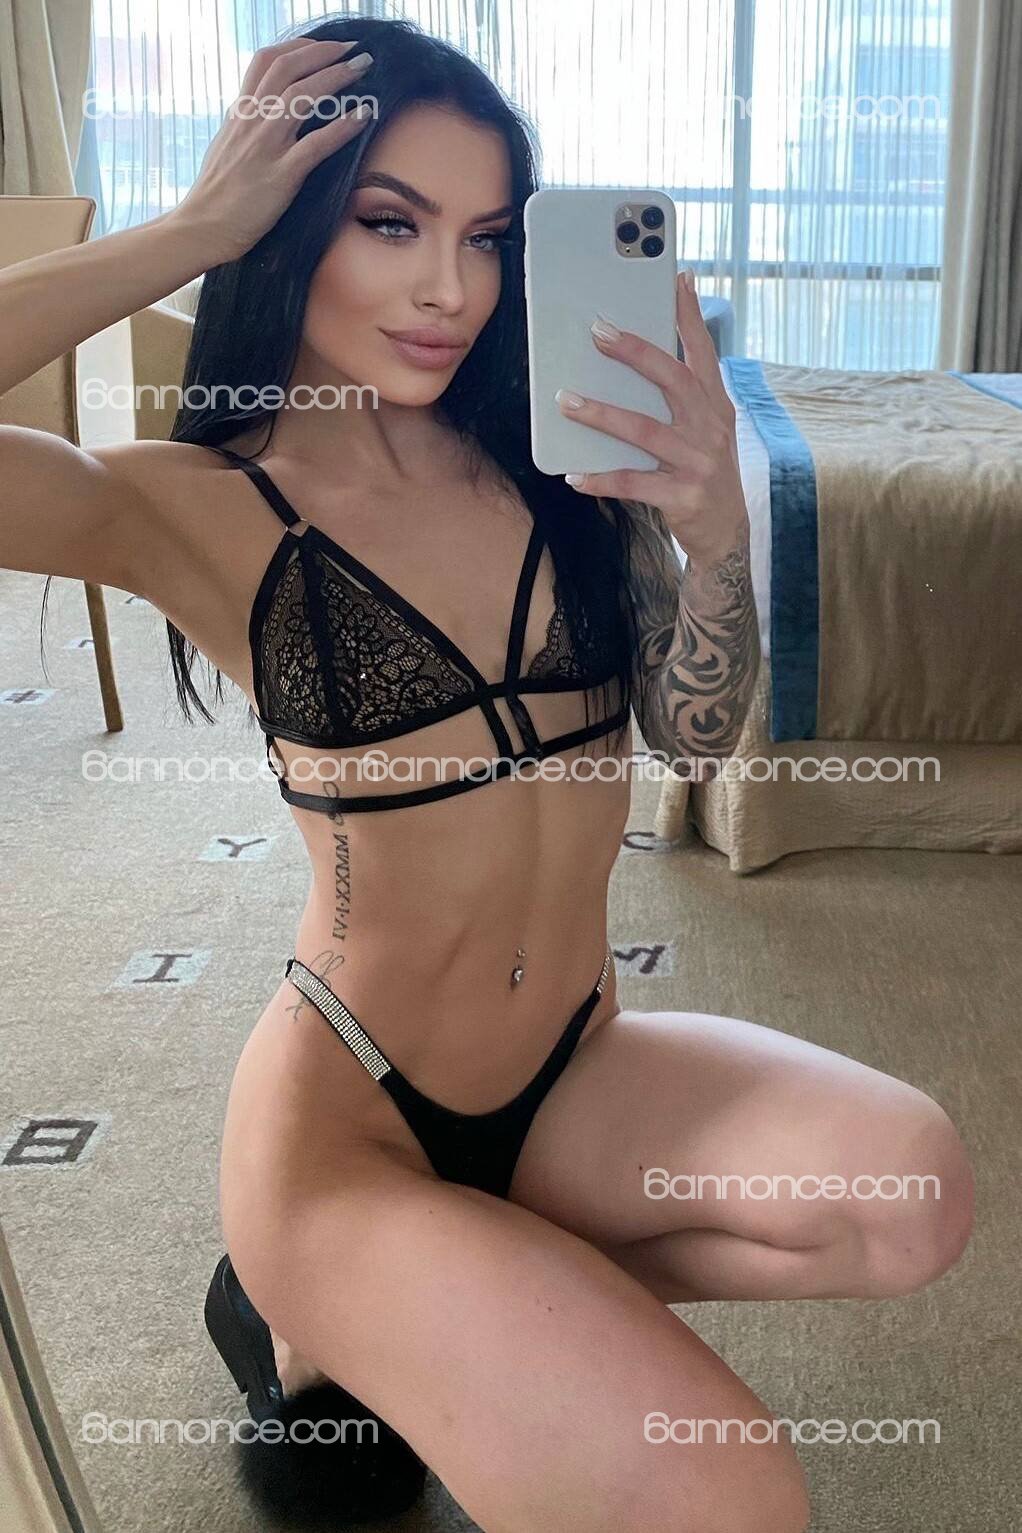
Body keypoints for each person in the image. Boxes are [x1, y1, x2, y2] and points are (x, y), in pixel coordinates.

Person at [1, 11, 974, 1531]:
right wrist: (191, 232)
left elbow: (695, 737)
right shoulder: (198, 507)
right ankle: (325, 1296)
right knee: (724, 1495)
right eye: (390, 223)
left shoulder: (561, 465)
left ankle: (422, 1317)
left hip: (573, 1064)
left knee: (910, 1195)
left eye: (488, 238)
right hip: (354, 1128)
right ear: (290, 223)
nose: (450, 288)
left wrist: (716, 524)